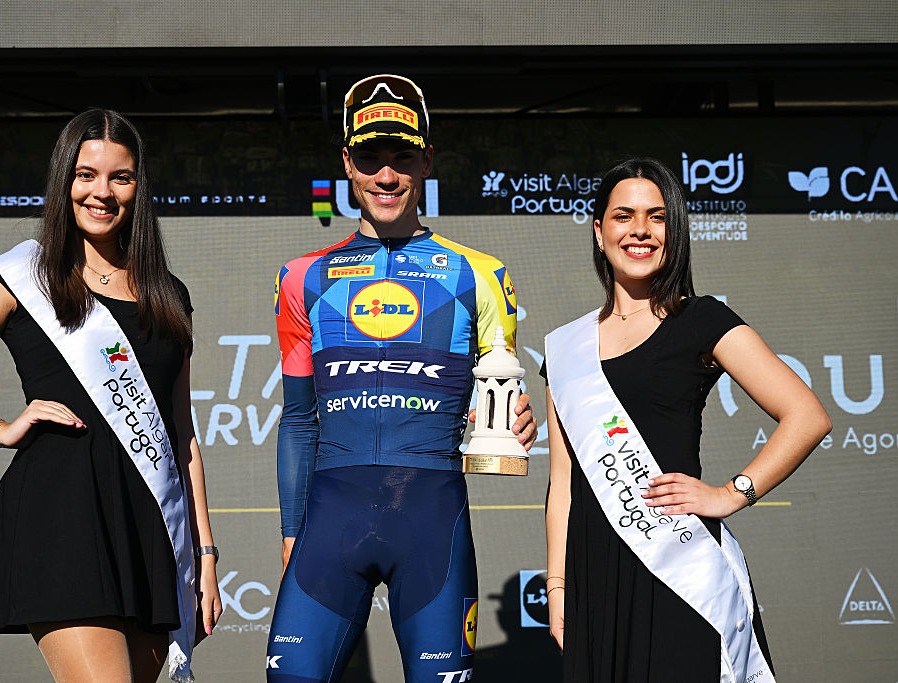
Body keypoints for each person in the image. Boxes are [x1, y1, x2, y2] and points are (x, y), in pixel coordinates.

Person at [0, 109, 221, 683]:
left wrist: (204, 556)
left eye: (120, 177)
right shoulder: (22, 275)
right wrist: (1, 428)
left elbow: (180, 432)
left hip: (147, 526)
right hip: (63, 514)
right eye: (86, 174)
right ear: (63, 181)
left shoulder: (168, 293)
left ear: (138, 186)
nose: (102, 192)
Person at [267, 74, 538, 683]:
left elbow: (500, 397)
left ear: (427, 161)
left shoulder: (482, 275)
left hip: (431, 519)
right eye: (369, 158)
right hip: (329, 523)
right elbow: (299, 418)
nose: (386, 176)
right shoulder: (303, 277)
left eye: (402, 157)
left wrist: (516, 422)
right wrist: (291, 533)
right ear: (347, 164)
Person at [542, 157, 832, 682]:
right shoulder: (566, 346)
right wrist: (559, 584)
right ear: (599, 230)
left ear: (674, 231)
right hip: (594, 571)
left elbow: (807, 416)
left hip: (678, 563)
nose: (640, 231)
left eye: (657, 217)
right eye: (623, 216)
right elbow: (562, 482)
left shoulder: (702, 320)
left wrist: (730, 493)